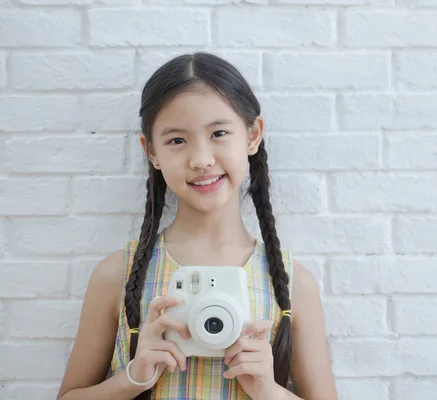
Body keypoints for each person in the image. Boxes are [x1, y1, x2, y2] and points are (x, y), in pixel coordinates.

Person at [57, 53, 337, 400]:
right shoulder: (117, 274)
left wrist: (268, 390)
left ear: (253, 135)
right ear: (151, 151)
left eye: (219, 132)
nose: (201, 159)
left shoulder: (294, 283)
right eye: (177, 140)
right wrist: (133, 378)